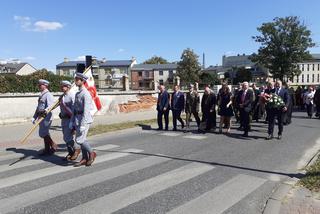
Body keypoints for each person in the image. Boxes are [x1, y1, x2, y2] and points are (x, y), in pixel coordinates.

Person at [70, 73, 96, 167]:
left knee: (80, 140)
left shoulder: (86, 94)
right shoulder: (77, 93)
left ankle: (92, 153)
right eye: (75, 79)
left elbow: (86, 110)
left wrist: (83, 124)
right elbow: (74, 109)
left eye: (78, 79)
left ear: (82, 81)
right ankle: (84, 158)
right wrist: (71, 121)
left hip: (84, 120)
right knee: (81, 139)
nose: (76, 81)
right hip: (77, 119)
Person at [32, 79, 57, 156]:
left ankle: (53, 145)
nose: (39, 86)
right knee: (45, 133)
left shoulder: (48, 94)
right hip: (40, 116)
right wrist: (34, 117)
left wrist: (45, 111)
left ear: (45, 85)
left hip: (46, 117)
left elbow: (51, 106)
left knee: (43, 133)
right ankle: (47, 149)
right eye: (39, 85)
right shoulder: (41, 95)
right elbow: (38, 107)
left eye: (41, 85)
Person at [59, 80, 80, 161]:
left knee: (69, 136)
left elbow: (74, 109)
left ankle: (76, 149)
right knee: (65, 137)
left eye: (63, 86)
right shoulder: (62, 97)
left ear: (68, 87)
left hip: (70, 119)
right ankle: (71, 152)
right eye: (61, 86)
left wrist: (74, 121)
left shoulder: (72, 95)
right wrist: (61, 114)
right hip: (64, 119)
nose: (62, 87)